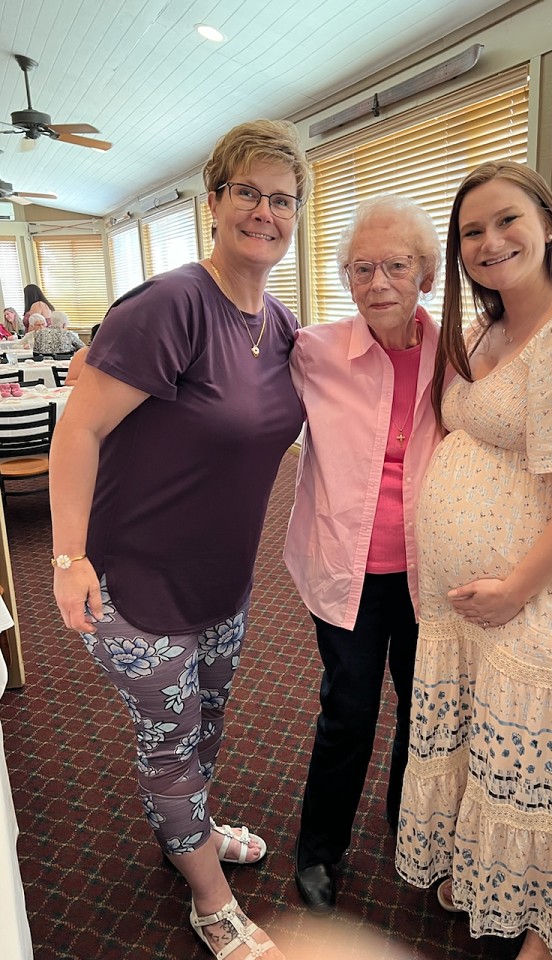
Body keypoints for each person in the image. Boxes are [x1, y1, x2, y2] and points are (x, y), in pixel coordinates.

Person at [49, 118, 313, 960]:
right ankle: (210, 900)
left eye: (282, 199)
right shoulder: (171, 305)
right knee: (169, 742)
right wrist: (67, 557)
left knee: (207, 726)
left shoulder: (283, 325)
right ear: (214, 202)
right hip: (135, 585)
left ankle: (187, 831)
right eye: (248, 193)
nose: (264, 212)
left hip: (222, 583)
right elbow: (78, 428)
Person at [395, 161, 552, 960]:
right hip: (477, 601)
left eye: (507, 220)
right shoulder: (485, 328)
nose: (490, 241)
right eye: (471, 231)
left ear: (546, 222)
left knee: (542, 751)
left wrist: (514, 589)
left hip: (547, 595)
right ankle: (488, 875)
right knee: (491, 741)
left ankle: (547, 920)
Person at [284, 195, 444, 914]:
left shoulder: (460, 354)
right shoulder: (314, 351)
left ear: (426, 275)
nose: (377, 282)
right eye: (360, 268)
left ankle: (409, 825)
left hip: (430, 574)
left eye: (396, 266)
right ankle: (320, 849)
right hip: (344, 570)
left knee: (423, 708)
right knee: (347, 712)